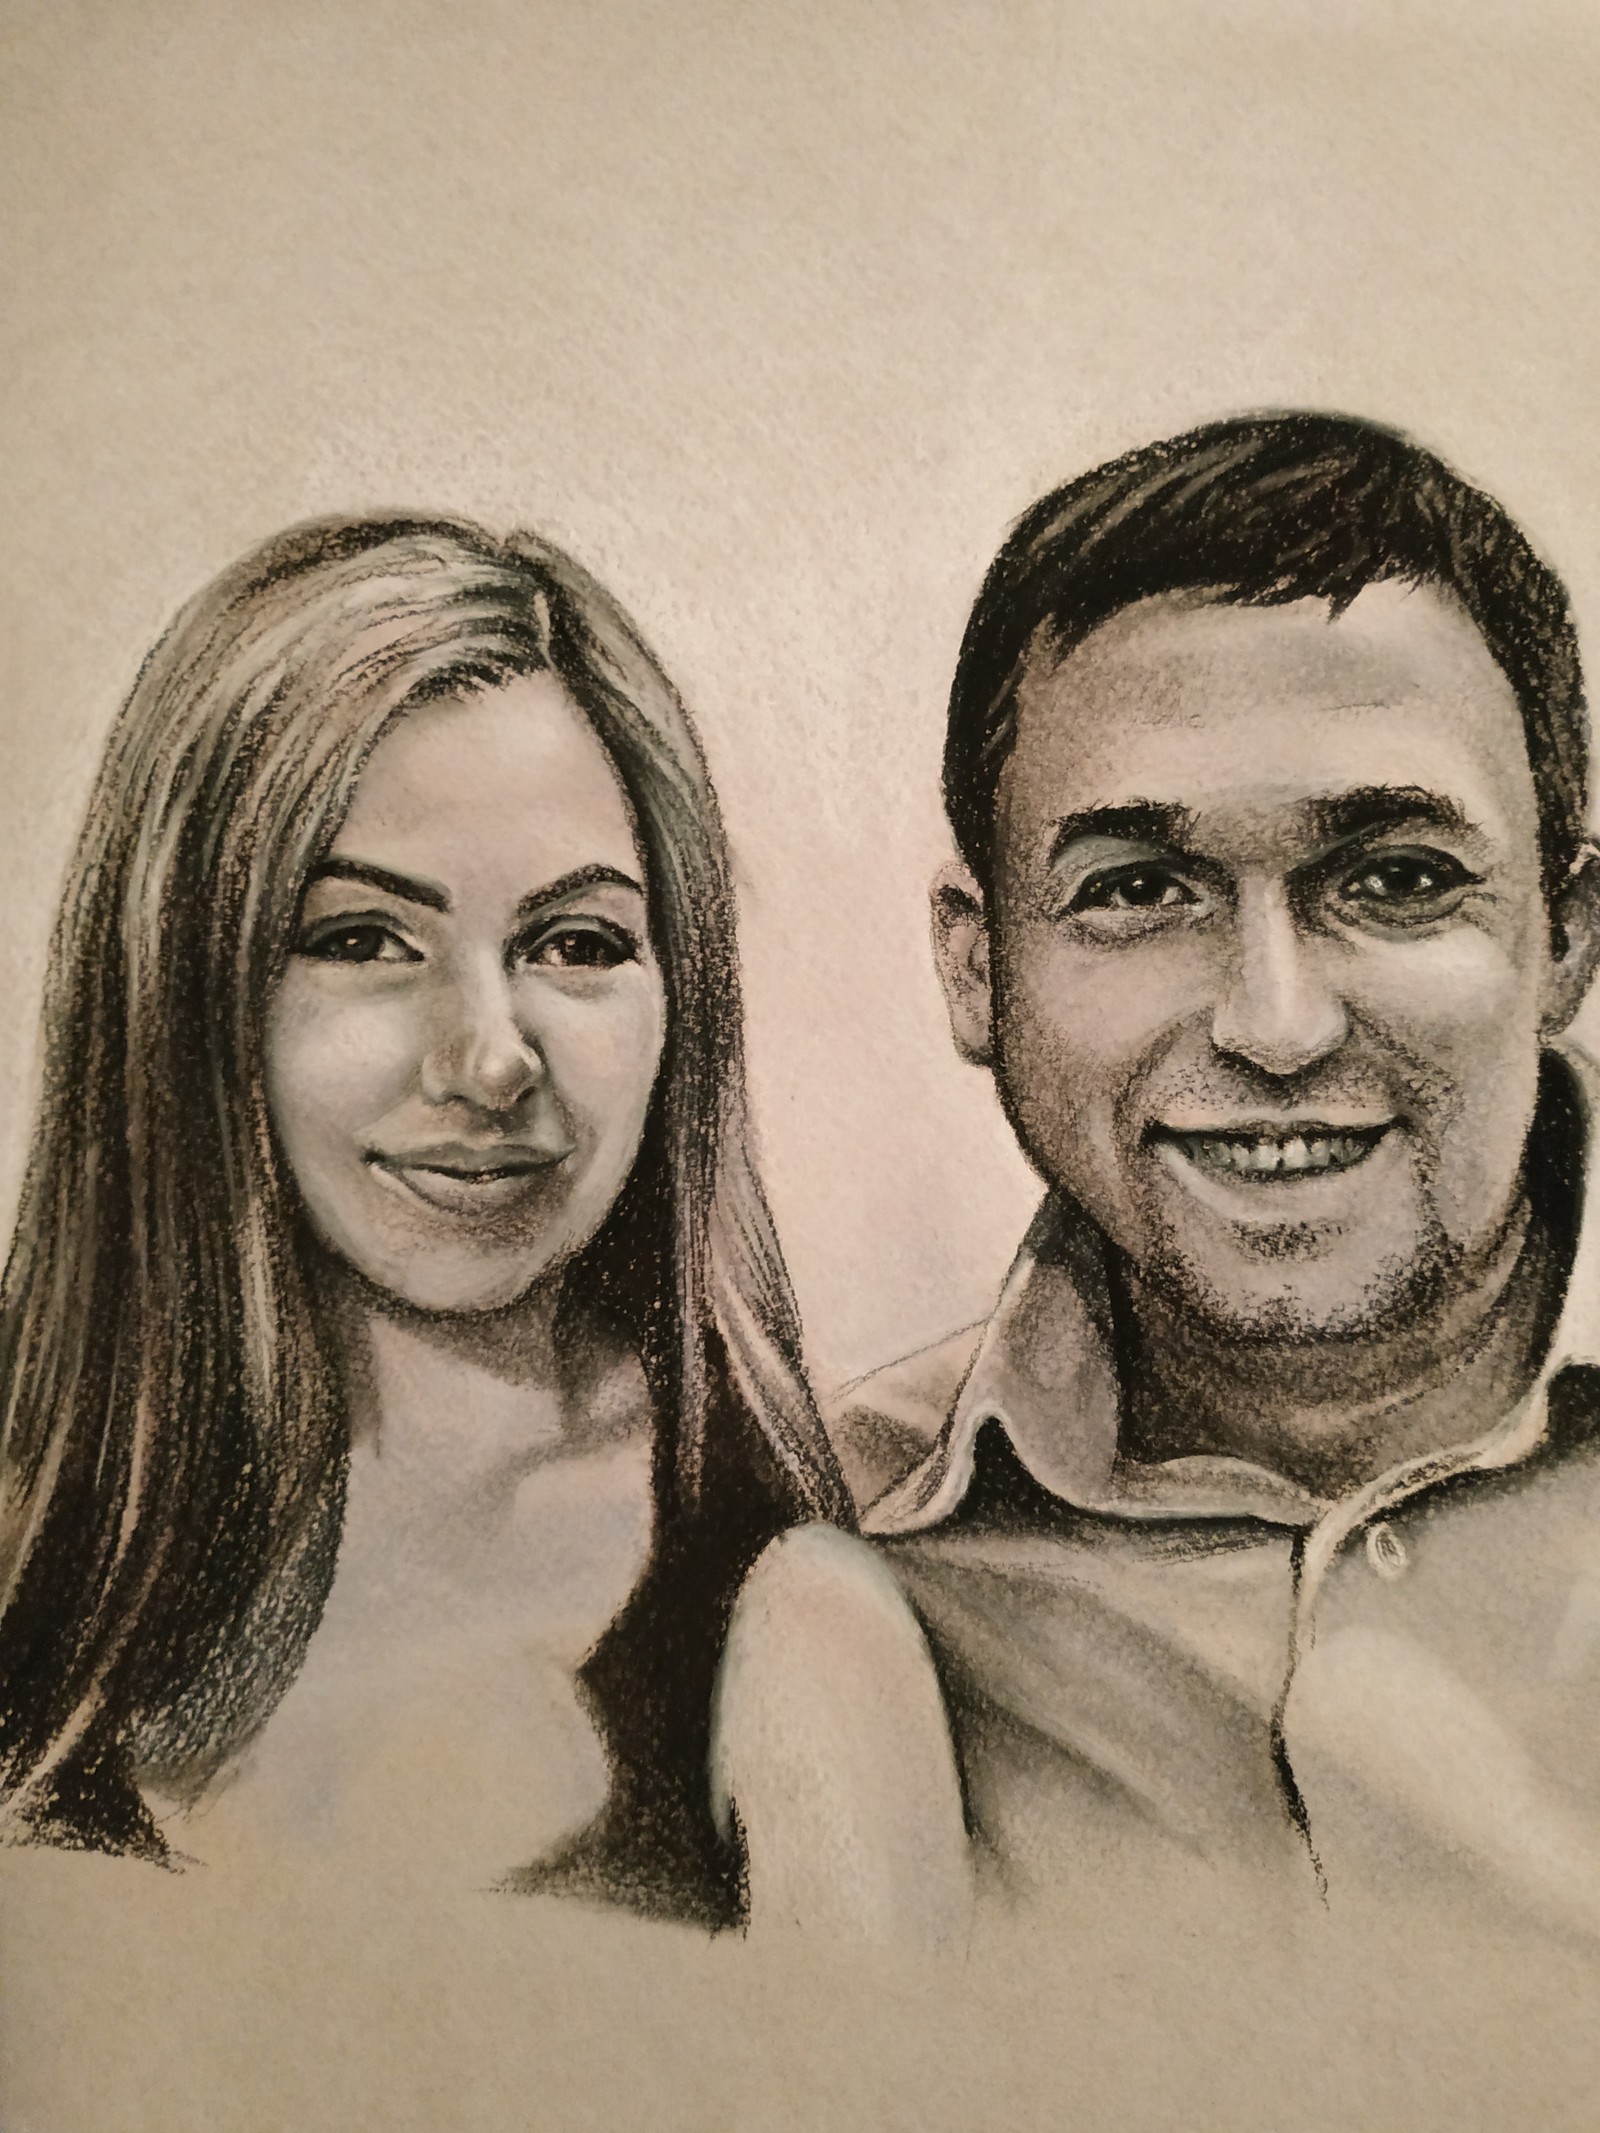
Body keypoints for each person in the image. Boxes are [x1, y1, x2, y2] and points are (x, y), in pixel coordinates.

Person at [0, 512, 859, 1928]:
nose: (491, 1059)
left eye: (577, 943)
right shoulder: (46, 1526)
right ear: (182, 986)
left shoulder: (792, 1616)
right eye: (361, 940)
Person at [829, 411, 1600, 1942]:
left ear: (1567, 937)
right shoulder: (822, 1539)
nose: (1276, 1023)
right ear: (978, 970)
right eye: (1138, 889)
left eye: (1397, 878)